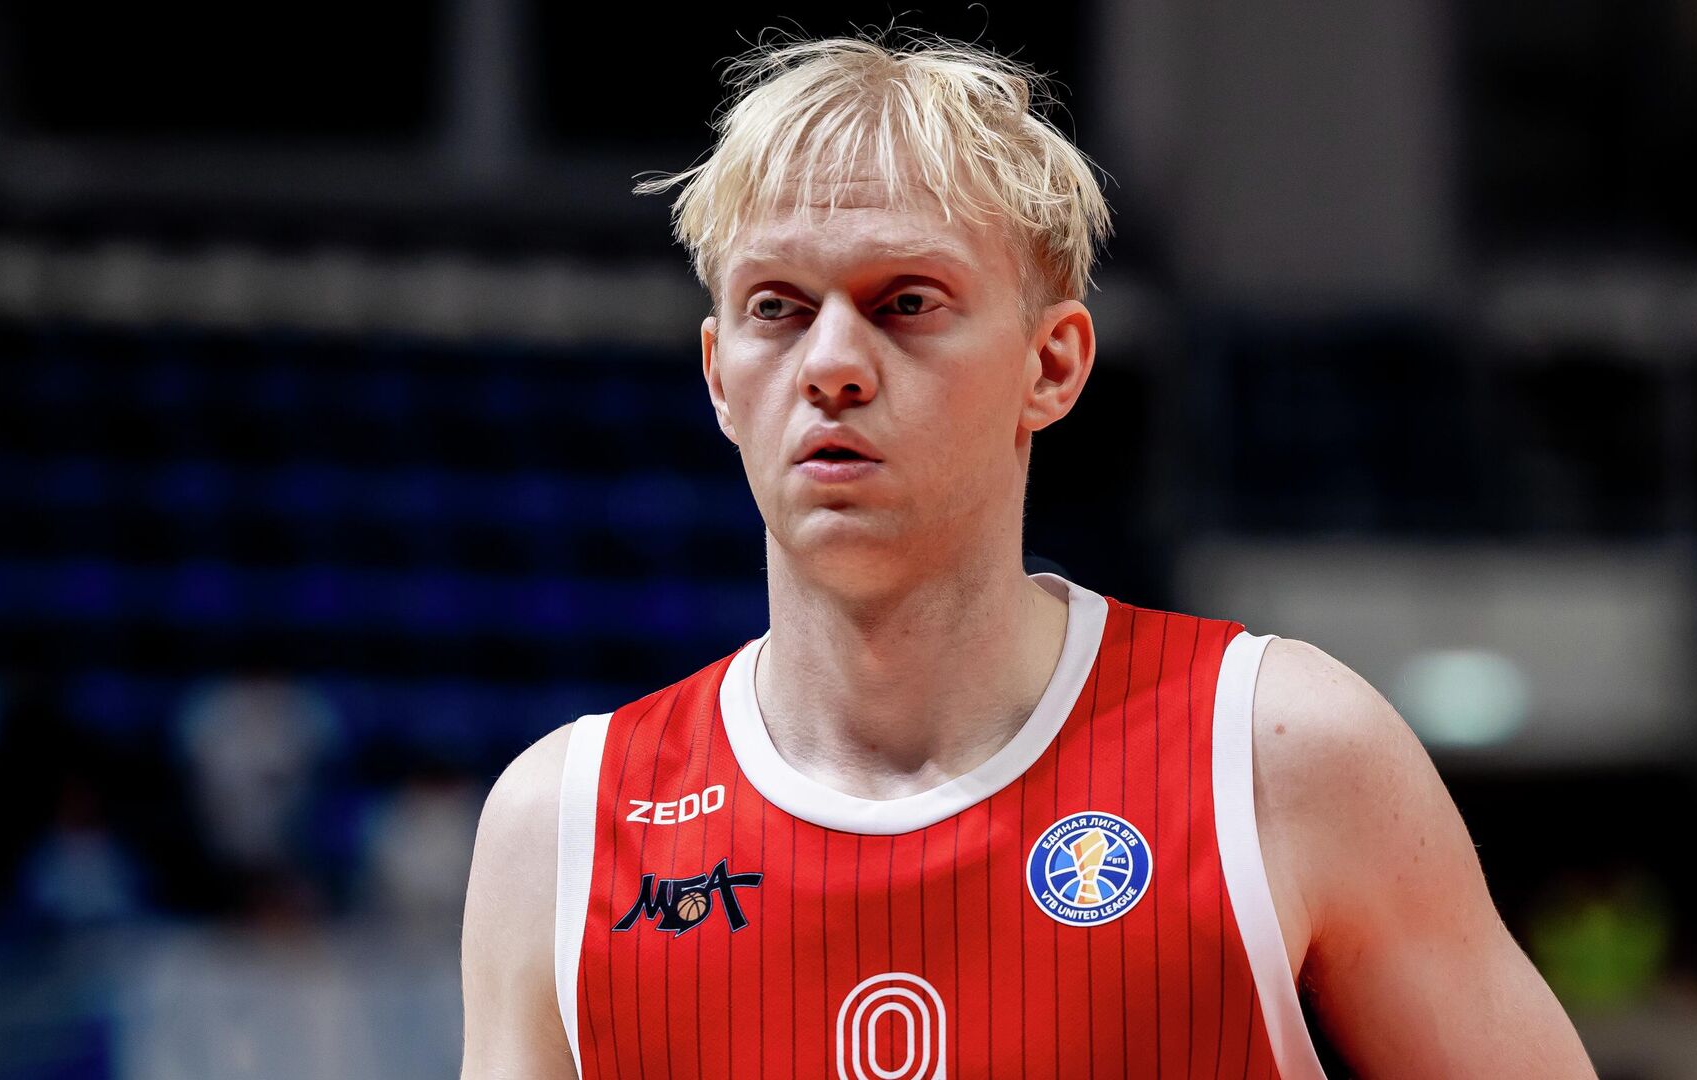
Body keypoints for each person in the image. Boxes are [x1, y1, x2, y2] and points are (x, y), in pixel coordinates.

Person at [461, 33, 1596, 1080]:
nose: (832, 364)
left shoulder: (1281, 754)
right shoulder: (561, 831)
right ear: (718, 375)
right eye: (778, 307)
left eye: (907, 302)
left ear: (1051, 365)